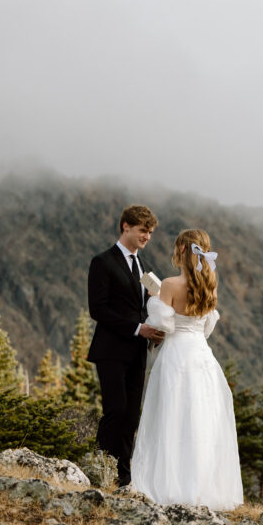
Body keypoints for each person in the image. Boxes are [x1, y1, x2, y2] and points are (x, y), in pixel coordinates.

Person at [130, 229, 243, 510]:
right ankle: (201, 488)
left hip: (176, 356)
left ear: (181, 250)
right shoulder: (210, 286)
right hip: (201, 357)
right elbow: (206, 329)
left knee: (170, 416)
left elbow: (164, 326)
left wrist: (154, 299)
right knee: (200, 421)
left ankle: (170, 485)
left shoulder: (168, 284)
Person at [88, 205, 165, 488]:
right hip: (110, 350)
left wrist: (154, 327)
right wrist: (138, 328)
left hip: (137, 352)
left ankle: (123, 478)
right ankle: (100, 471)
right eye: (143, 230)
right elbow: (98, 309)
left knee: (131, 415)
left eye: (150, 232)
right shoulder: (102, 262)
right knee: (115, 410)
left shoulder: (142, 266)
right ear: (126, 227)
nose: (147, 236)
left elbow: (142, 306)